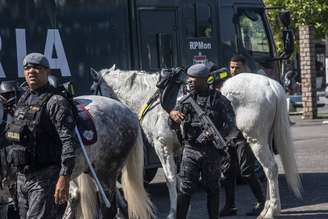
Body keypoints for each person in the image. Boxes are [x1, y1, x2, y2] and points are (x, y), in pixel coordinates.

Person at [5, 53, 77, 219]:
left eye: (37, 68)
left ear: (47, 71)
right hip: (22, 177)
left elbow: (68, 142)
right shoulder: (23, 99)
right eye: (27, 68)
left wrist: (64, 177)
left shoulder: (56, 102)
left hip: (46, 178)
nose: (31, 71)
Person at [169, 63, 240, 219]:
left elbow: (233, 126)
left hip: (212, 152)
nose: (190, 83)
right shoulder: (185, 100)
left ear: (205, 80)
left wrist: (217, 134)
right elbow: (172, 125)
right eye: (189, 80)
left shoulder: (219, 100)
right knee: (185, 189)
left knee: (213, 189)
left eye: (194, 80)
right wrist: (173, 117)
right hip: (191, 149)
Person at [218, 56, 265, 216]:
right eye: (231, 67)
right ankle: (230, 206)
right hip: (228, 135)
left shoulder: (252, 85)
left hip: (244, 134)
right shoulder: (226, 85)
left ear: (245, 68)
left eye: (237, 67)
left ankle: (262, 202)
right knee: (227, 172)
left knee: (246, 171)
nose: (233, 70)